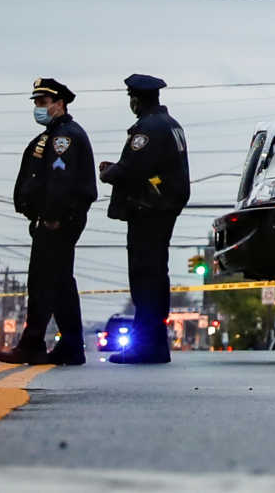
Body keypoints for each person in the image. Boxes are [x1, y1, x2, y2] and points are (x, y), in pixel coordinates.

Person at [0, 77, 96, 366]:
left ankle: (32, 344)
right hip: (54, 218)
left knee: (42, 282)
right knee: (60, 283)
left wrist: (51, 217)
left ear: (59, 104)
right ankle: (72, 346)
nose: (39, 107)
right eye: (37, 102)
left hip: (58, 221)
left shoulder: (65, 137)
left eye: (43, 102)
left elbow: (59, 181)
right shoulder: (53, 135)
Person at [98, 73, 190, 365]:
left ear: (137, 99)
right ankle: (155, 345)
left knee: (144, 277)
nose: (131, 103)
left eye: (131, 98)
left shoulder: (148, 128)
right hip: (164, 207)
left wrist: (109, 172)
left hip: (148, 208)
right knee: (156, 275)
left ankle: (146, 346)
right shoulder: (171, 125)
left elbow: (134, 169)